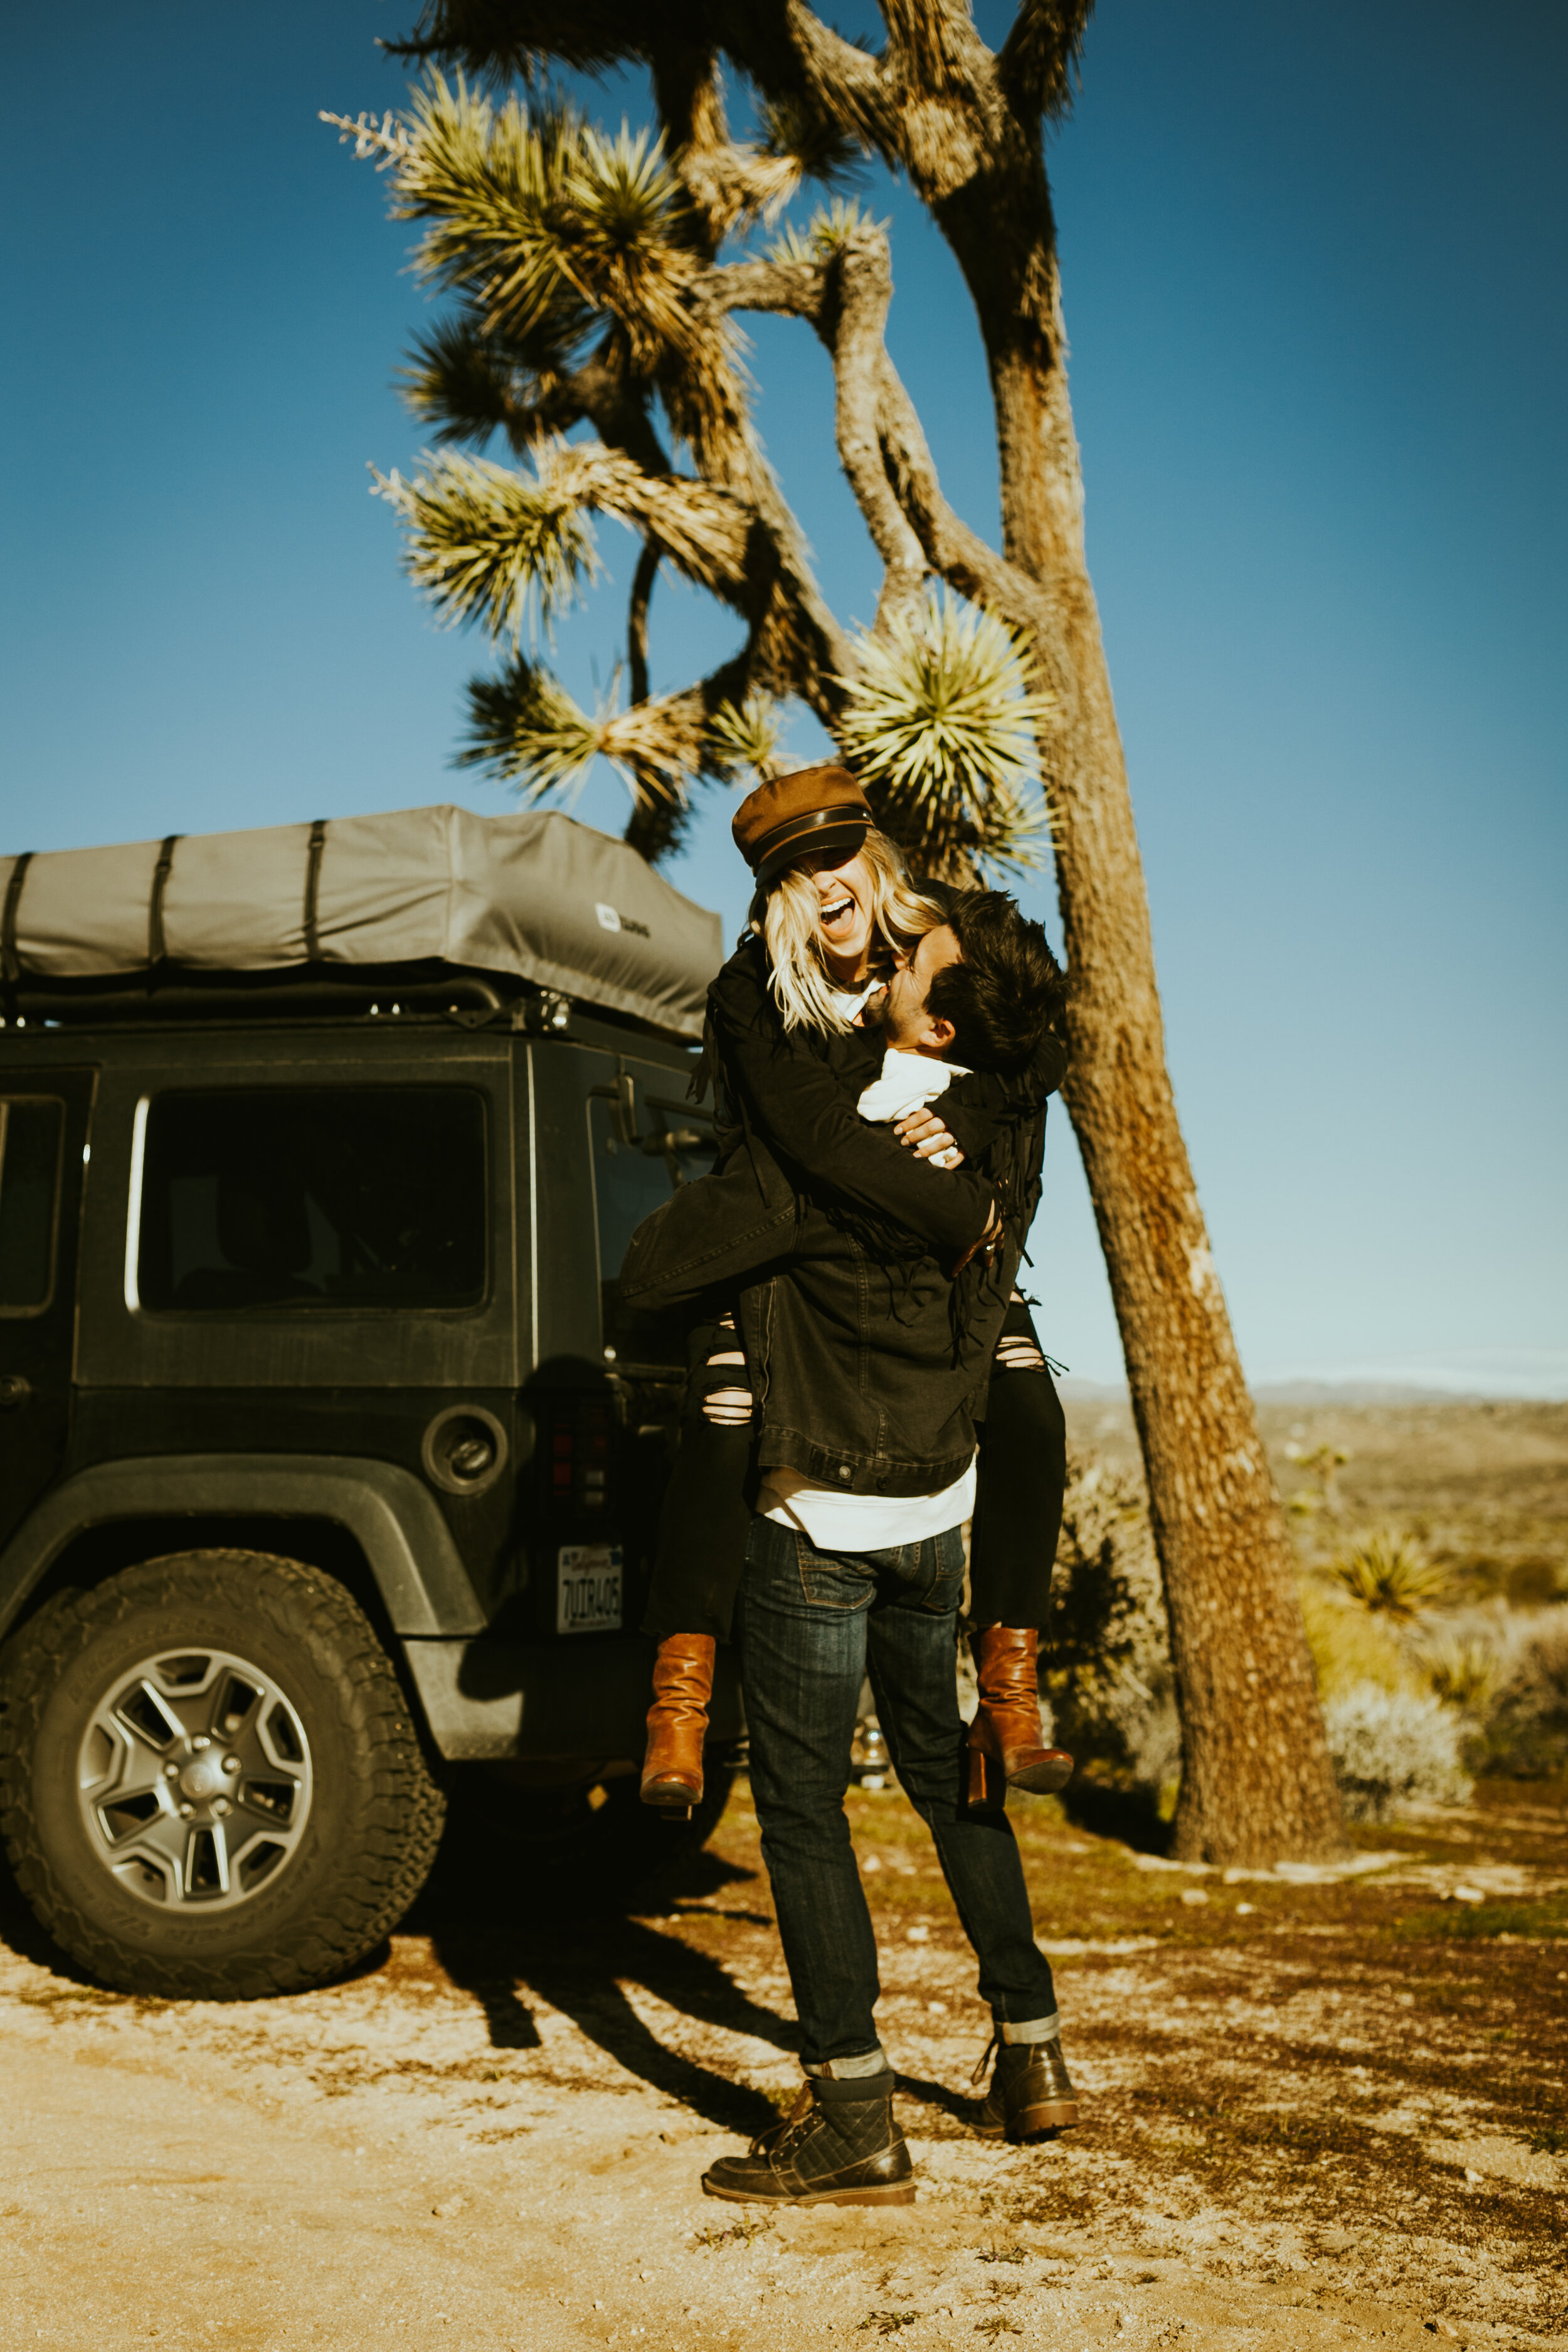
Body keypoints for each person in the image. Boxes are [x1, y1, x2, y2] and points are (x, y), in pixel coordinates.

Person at [692, 866, 1080, 2201]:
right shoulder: (1000, 1121)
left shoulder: (860, 1117)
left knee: (802, 1813)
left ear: (935, 1019)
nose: (889, 946)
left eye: (912, 949)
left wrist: (774, 933)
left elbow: (761, 1069)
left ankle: (853, 2116)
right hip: (938, 1522)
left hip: (823, 1516)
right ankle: (1029, 2050)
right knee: (949, 1775)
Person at [622, 767, 1072, 1818]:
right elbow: (819, 1144)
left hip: (923, 1275)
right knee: (727, 1417)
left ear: (872, 856)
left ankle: (1009, 1687)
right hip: (781, 1246)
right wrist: (960, 1210)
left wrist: (977, 1111)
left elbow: (1044, 1034)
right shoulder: (750, 994)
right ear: (773, 892)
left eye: (836, 857)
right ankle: (678, 1701)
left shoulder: (937, 939)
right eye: (794, 870)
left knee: (1033, 1411)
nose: (823, 883)